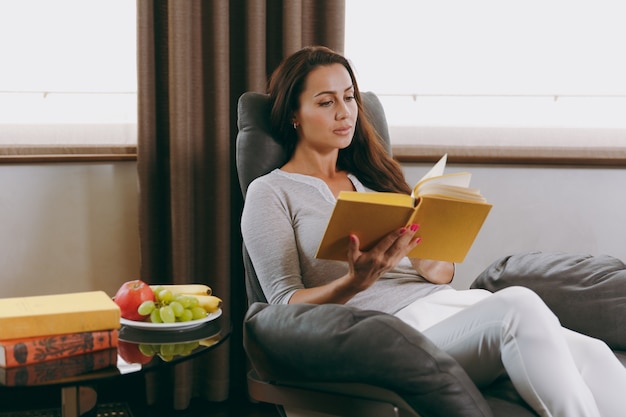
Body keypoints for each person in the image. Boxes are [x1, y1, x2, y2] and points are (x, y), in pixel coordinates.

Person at [240, 45, 626, 417]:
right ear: (294, 113)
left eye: (349, 97)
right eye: (326, 102)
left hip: (446, 307)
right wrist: (355, 282)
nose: (345, 113)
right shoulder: (270, 192)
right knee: (519, 304)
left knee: (591, 351)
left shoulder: (374, 178)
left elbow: (439, 275)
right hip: (389, 333)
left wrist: (426, 248)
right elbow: (282, 308)